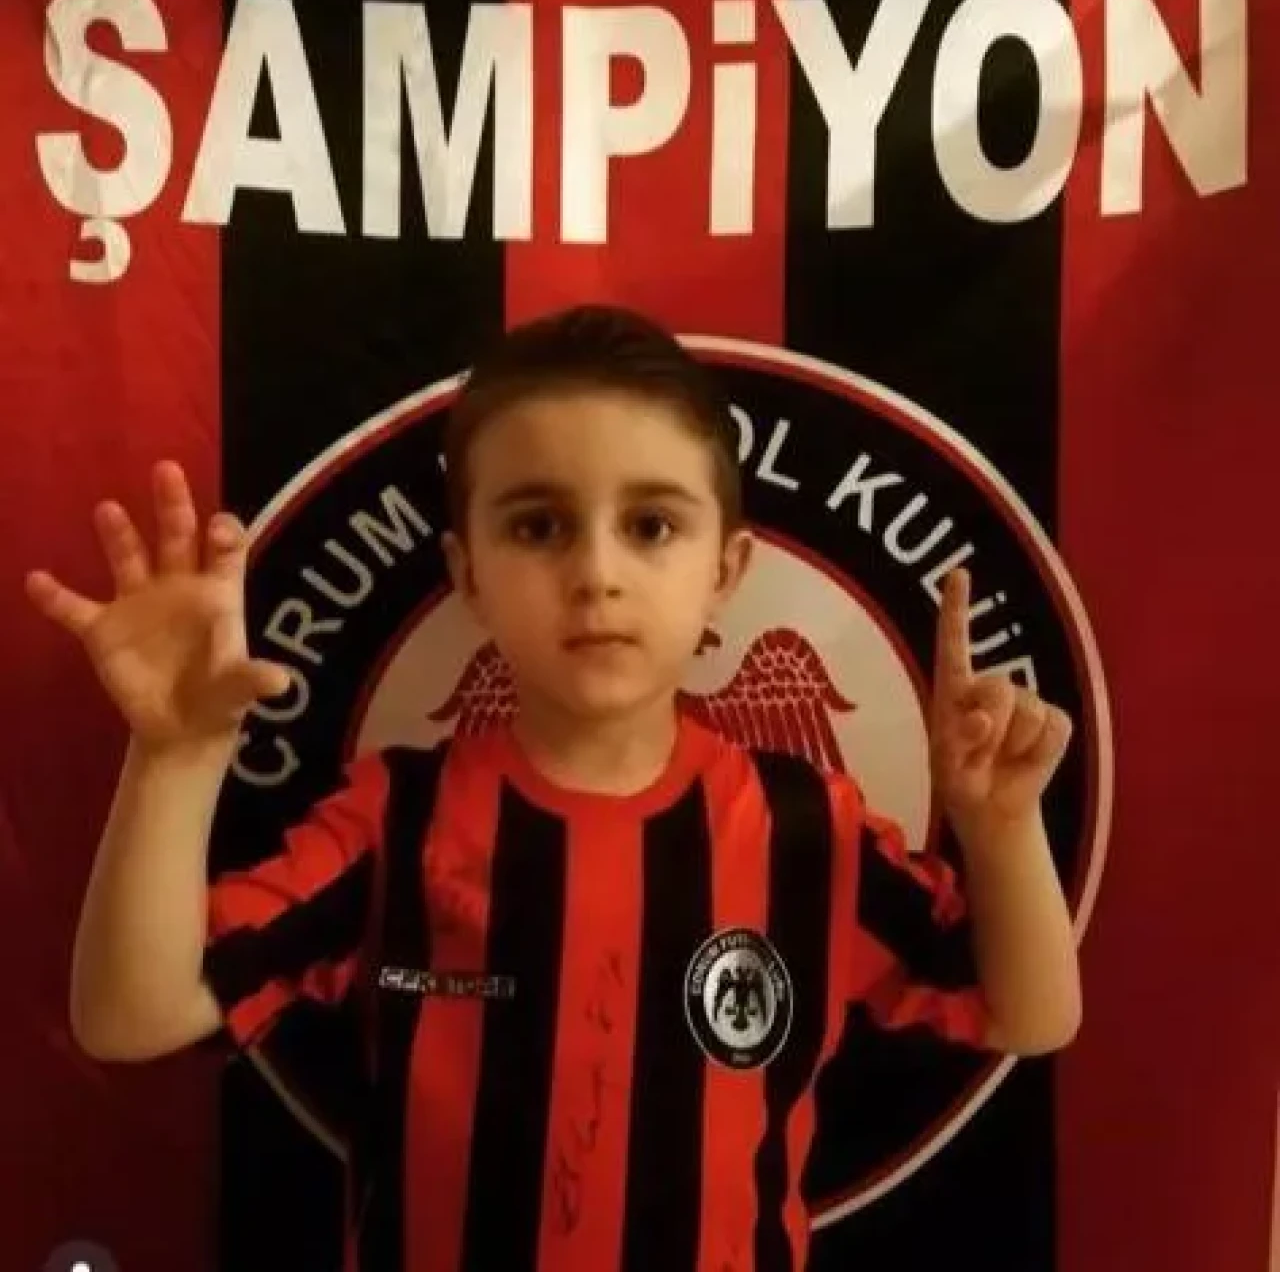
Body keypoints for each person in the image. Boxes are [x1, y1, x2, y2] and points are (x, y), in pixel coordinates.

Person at [26, 304, 1081, 1272]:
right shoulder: (395, 816)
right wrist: (173, 759)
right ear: (467, 573)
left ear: (724, 570)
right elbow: (130, 1016)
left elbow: (1030, 1013)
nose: (596, 573)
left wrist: (999, 826)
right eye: (538, 525)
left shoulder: (806, 827)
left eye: (651, 524)